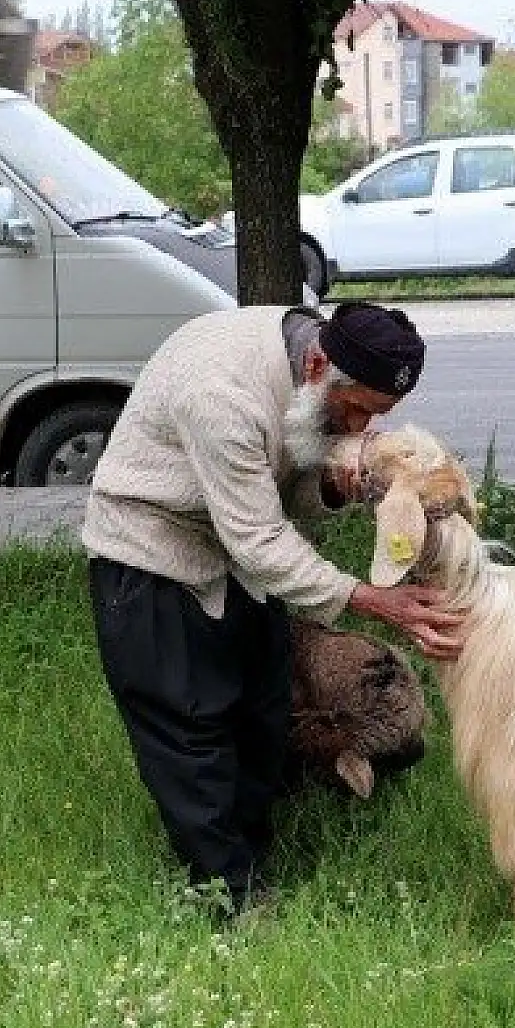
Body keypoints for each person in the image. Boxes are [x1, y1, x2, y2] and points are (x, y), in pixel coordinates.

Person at [81, 300, 468, 918]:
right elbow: (258, 537)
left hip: (232, 557)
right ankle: (229, 902)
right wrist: (369, 599)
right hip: (151, 562)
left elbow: (279, 491)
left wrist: (331, 487)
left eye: (377, 416)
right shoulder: (221, 395)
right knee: (192, 733)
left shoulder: (310, 365)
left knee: (264, 714)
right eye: (358, 410)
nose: (360, 431)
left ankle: (254, 862)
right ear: (319, 365)